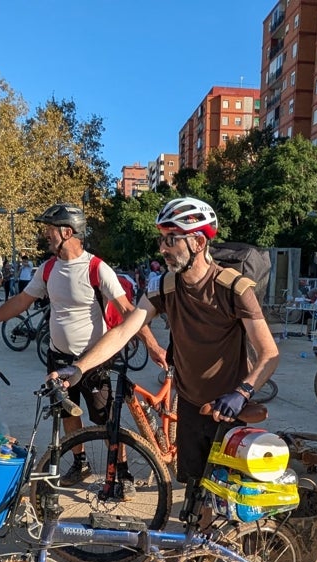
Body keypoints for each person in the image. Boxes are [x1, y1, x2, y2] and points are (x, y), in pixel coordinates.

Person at [46, 196, 280, 515]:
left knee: (230, 500)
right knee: (196, 491)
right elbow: (123, 330)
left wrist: (242, 392)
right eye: (161, 239)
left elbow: (269, 354)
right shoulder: (166, 287)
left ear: (198, 241)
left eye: (171, 239)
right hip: (190, 407)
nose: (162, 248)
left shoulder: (234, 288)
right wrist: (79, 367)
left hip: (228, 410)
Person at [0, 203, 145, 485]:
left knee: (105, 419)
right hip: (58, 358)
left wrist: (154, 346)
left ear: (67, 231)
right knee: (66, 413)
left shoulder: (97, 268)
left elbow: (128, 311)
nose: (45, 235)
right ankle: (81, 462)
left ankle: (120, 472)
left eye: (50, 229)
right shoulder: (48, 269)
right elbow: (21, 301)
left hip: (94, 360)